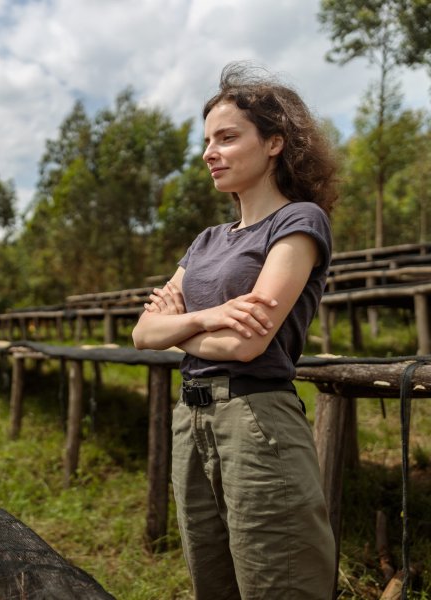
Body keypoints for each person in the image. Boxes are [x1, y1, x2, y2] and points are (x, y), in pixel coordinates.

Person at [132, 62, 337, 600]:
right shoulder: (204, 242)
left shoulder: (298, 221)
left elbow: (247, 343)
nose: (209, 153)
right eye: (206, 141)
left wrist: (175, 326)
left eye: (227, 137)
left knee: (279, 583)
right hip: (189, 420)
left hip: (255, 421)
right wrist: (205, 317)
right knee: (212, 585)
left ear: (273, 143)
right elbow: (141, 334)